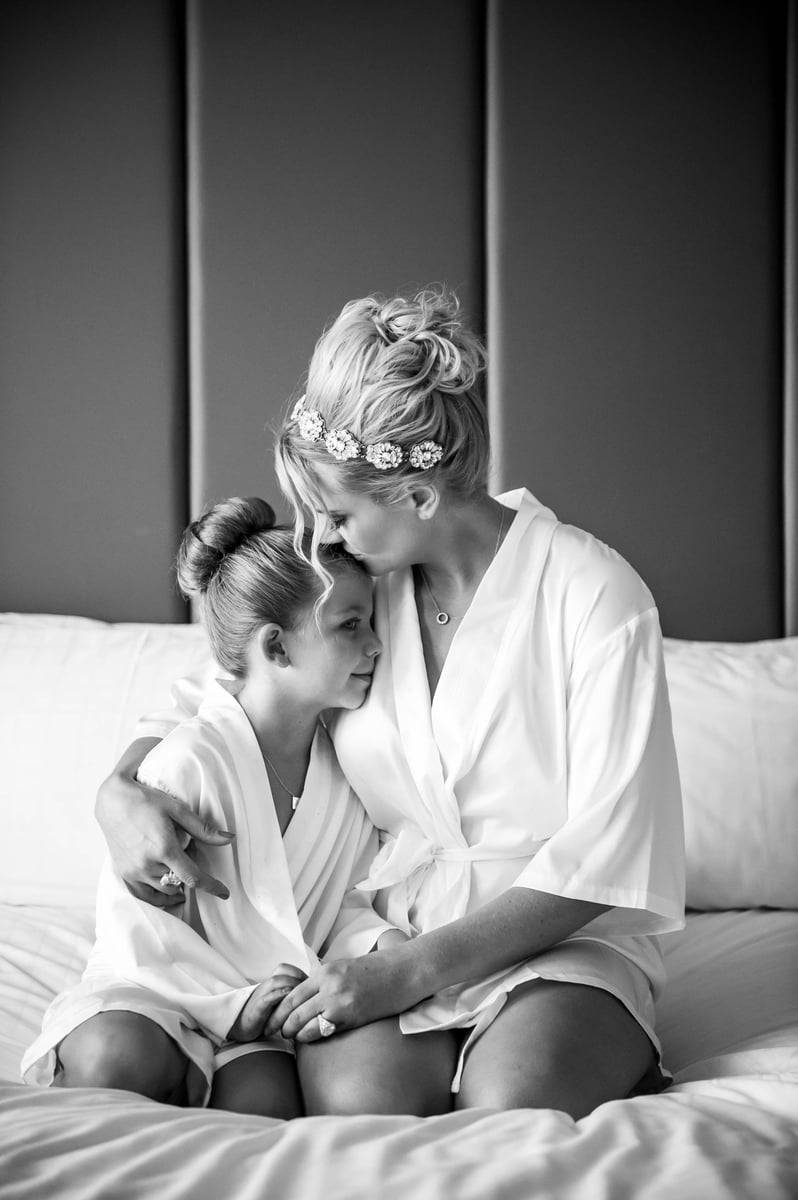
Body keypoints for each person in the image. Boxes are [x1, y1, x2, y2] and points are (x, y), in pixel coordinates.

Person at [95, 288, 685, 1120]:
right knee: (359, 1112)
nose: (323, 534)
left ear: (417, 497)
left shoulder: (594, 596)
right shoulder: (359, 588)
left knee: (513, 1105)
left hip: (560, 943)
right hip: (386, 929)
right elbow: (230, 686)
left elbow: (611, 853)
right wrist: (119, 790)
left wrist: (408, 975)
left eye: (338, 512)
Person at [22, 497, 457, 1118]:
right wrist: (233, 1006)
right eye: (350, 626)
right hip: (161, 991)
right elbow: (137, 930)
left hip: (266, 1010)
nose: (375, 645)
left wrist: (384, 945)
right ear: (276, 648)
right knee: (115, 1060)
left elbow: (343, 903)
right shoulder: (188, 761)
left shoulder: (347, 772)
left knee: (261, 1112)